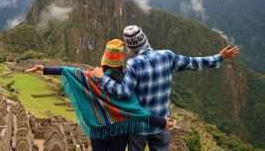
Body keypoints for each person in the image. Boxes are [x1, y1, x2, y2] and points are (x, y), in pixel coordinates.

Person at [92, 25, 239, 151]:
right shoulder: (167, 56)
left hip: (139, 128)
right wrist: (219, 57)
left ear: (129, 47)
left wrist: (102, 78)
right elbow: (193, 63)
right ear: (146, 39)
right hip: (162, 123)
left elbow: (124, 92)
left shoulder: (133, 64)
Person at [26, 39, 169, 151]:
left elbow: (70, 71)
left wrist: (44, 69)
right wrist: (162, 122)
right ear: (121, 62)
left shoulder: (92, 78)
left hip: (97, 132)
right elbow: (137, 111)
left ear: (104, 60)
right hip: (119, 132)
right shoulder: (127, 83)